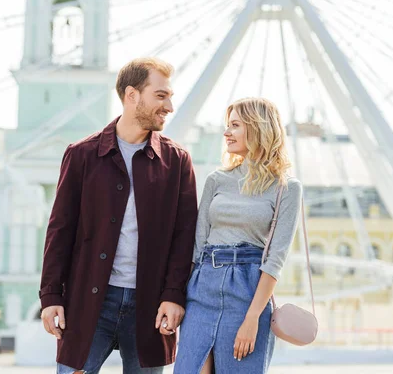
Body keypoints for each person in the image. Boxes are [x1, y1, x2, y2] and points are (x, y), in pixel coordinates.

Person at [39, 57, 198, 374]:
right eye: (161, 95)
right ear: (132, 95)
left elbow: (185, 237)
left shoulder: (178, 161)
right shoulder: (82, 155)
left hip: (151, 307)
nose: (169, 106)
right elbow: (60, 229)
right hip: (87, 303)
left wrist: (173, 296)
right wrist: (51, 295)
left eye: (170, 97)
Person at [174, 97, 303, 373]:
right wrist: (177, 296)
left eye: (235, 125)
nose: (226, 132)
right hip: (202, 289)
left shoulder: (287, 188)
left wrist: (252, 318)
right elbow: (197, 247)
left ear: (257, 128)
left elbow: (274, 260)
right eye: (227, 125)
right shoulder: (216, 180)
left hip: (247, 293)